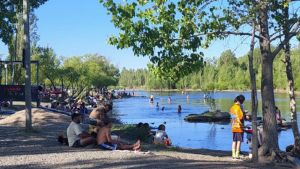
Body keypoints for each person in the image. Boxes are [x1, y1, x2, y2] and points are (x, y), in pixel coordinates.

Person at [230, 95, 244, 159]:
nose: (242, 103)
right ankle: (237, 155)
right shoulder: (238, 108)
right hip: (239, 127)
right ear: (239, 101)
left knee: (234, 140)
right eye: (242, 102)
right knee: (239, 141)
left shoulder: (232, 108)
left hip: (233, 126)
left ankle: (233, 155)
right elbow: (241, 117)